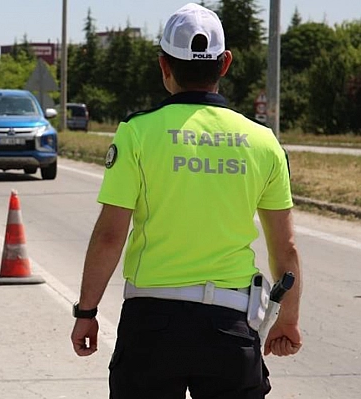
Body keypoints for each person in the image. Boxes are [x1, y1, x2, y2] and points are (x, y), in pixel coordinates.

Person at [70, 3, 302, 398]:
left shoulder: (137, 133)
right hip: (231, 324)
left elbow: (111, 235)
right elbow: (286, 249)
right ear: (224, 64)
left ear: (164, 66)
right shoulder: (264, 142)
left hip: (151, 324)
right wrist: (288, 319)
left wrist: (87, 312)